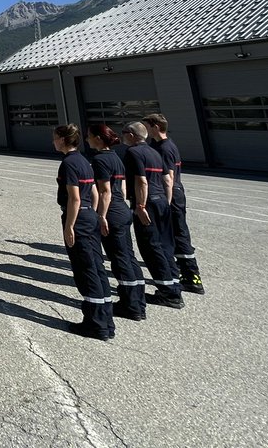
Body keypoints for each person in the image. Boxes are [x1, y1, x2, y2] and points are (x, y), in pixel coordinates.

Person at [53, 123, 115, 340]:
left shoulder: (69, 164)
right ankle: (106, 320)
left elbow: (75, 198)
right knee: (97, 267)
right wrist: (98, 215)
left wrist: (70, 226)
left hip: (78, 218)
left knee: (85, 269)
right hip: (90, 215)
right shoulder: (84, 161)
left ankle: (96, 324)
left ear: (62, 139)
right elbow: (96, 192)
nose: (53, 142)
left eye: (55, 138)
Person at [86, 124, 147, 321]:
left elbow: (105, 192)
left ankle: (131, 305)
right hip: (123, 210)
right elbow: (120, 185)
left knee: (119, 259)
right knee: (128, 256)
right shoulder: (116, 157)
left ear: (97, 138)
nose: (87, 140)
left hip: (111, 212)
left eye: (89, 136)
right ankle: (139, 301)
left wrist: (101, 216)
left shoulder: (100, 160)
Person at [122, 122, 184, 308]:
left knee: (151, 247)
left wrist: (140, 206)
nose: (122, 136)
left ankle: (168, 293)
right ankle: (174, 283)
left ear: (132, 135)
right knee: (165, 244)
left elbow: (141, 181)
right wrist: (166, 201)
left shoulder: (133, 153)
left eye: (124, 133)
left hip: (147, 203)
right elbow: (167, 179)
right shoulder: (154, 152)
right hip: (162, 202)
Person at [143, 113, 205, 295]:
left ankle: (192, 277)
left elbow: (168, 178)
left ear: (155, 127)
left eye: (146, 126)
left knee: (179, 234)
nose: (145, 130)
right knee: (171, 235)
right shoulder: (156, 145)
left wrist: (166, 204)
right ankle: (176, 272)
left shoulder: (165, 148)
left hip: (171, 195)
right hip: (169, 193)